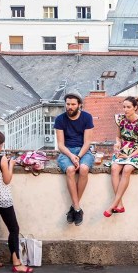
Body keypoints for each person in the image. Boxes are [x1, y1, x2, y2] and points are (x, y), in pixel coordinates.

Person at [0, 131, 33, 273]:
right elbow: (7, 180)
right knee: (14, 229)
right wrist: (11, 164)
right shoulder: (1, 159)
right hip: (2, 199)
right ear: (1, 144)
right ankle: (16, 263)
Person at [104, 97, 138, 217]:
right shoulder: (120, 119)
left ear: (135, 107)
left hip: (137, 151)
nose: (125, 110)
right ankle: (119, 205)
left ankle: (113, 205)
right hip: (124, 148)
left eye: (128, 107)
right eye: (124, 107)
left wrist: (129, 156)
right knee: (114, 168)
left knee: (127, 169)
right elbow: (118, 137)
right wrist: (117, 143)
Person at [54, 92, 94, 226]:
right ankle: (78, 209)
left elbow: (87, 142)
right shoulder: (60, 119)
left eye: (73, 104)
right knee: (70, 170)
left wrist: (79, 156)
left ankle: (74, 208)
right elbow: (60, 144)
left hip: (83, 150)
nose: (70, 107)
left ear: (79, 105)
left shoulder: (87, 117)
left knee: (83, 169)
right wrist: (71, 156)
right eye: (68, 104)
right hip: (66, 152)